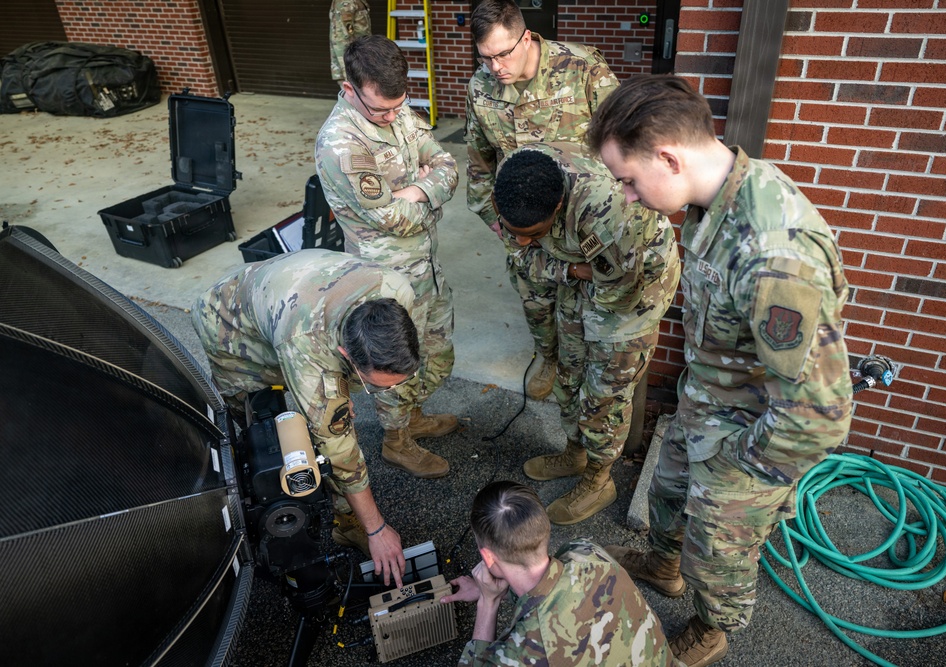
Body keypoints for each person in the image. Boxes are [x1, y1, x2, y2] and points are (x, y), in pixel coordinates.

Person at [587, 74, 854, 667]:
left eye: (627, 180)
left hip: (748, 437)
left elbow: (818, 415)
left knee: (718, 553)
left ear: (668, 158)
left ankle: (712, 627)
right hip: (705, 405)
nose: (626, 196)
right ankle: (663, 566)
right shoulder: (713, 200)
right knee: (667, 495)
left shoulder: (775, 254)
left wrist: (737, 468)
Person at [192, 250, 425, 588]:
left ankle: (347, 520)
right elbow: (339, 449)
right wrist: (377, 529)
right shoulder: (306, 343)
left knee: (325, 412)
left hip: (291, 300)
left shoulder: (398, 290)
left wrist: (337, 393)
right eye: (374, 386)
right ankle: (345, 523)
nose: (386, 392)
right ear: (345, 354)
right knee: (265, 432)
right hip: (230, 323)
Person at [492, 143, 680, 525]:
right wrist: (573, 270)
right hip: (582, 275)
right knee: (569, 372)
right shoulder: (515, 182)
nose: (523, 240)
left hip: (631, 294)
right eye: (515, 231)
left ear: (559, 206)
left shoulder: (608, 212)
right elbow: (521, 256)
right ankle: (575, 453)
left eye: (534, 234)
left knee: (604, 396)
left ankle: (599, 480)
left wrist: (566, 269)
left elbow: (620, 290)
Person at [316, 34, 460, 480]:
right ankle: (397, 441)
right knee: (394, 365)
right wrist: (429, 194)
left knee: (437, 355)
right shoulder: (341, 144)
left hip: (426, 266)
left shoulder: (395, 108)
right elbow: (390, 219)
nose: (393, 116)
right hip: (385, 278)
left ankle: (412, 418)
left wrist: (414, 190)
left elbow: (448, 166)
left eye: (399, 106)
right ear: (349, 89)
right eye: (381, 110)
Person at [465, 0, 620, 402]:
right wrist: (495, 218)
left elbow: (623, 140)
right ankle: (547, 356)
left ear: (526, 38)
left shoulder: (582, 68)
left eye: (503, 54)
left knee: (584, 299)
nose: (495, 67)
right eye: (485, 57)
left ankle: (579, 367)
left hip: (579, 220)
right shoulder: (480, 87)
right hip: (522, 221)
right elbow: (480, 160)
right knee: (534, 297)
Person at [441, 481, 677, 666]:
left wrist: (488, 601)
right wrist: (497, 590)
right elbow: (549, 587)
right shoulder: (586, 552)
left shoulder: (524, 650)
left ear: (488, 557)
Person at [329, 0, 371, 83]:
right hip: (354, 61)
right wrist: (349, 70)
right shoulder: (346, 3)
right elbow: (342, 39)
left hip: (359, 57)